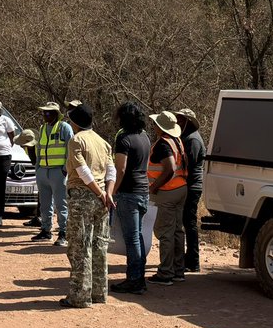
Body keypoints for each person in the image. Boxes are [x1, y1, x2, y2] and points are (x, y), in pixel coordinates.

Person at [58, 103, 115, 308]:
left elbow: (82, 171)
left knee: (80, 245)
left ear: (75, 122)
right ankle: (99, 292)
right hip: (102, 200)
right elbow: (111, 171)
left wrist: (99, 193)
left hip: (83, 196)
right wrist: (107, 194)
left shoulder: (76, 141)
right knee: (99, 245)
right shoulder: (103, 142)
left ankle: (80, 296)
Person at [108, 102, 152, 295]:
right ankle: (139, 278)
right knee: (138, 236)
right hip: (143, 191)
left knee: (132, 238)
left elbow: (121, 169)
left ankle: (134, 279)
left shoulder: (124, 139)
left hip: (128, 193)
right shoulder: (144, 137)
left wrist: (111, 191)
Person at [148, 110, 188, 286]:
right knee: (177, 231)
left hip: (168, 192)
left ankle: (165, 273)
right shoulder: (176, 141)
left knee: (165, 232)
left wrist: (154, 187)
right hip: (181, 189)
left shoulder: (163, 144)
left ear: (160, 127)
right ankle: (178, 270)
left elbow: (169, 168)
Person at [32, 102, 73, 248]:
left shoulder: (64, 127)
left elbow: (71, 148)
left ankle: (64, 233)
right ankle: (46, 230)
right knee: (45, 204)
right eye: (44, 113)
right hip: (43, 170)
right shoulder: (42, 128)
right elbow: (39, 149)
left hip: (58, 172)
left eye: (48, 113)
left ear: (56, 114)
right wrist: (37, 168)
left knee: (61, 204)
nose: (45, 115)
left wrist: (65, 169)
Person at [176, 108, 207, 274]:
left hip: (192, 186)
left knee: (189, 222)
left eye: (181, 119)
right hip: (188, 185)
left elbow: (189, 164)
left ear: (188, 121)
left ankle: (193, 260)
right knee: (186, 222)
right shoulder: (186, 137)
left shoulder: (193, 139)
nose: (178, 122)